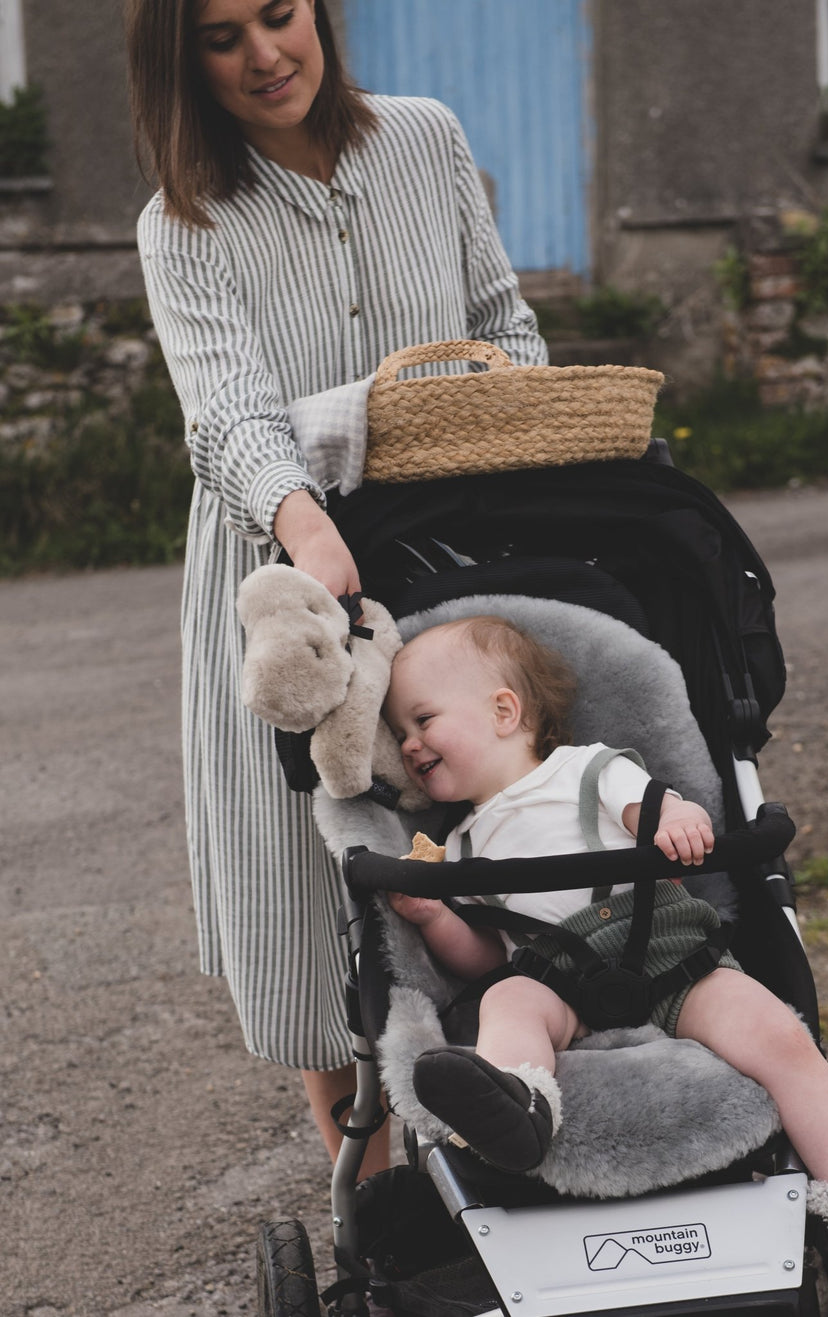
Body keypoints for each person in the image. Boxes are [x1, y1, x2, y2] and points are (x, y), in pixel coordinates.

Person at [124, 0, 547, 1166]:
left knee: (476, 842)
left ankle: (517, 1100)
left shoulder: (426, 139)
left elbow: (505, 329)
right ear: (181, 60)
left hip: (456, 549)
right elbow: (228, 418)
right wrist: (308, 522)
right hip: (290, 584)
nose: (265, 54)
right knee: (318, 883)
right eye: (222, 36)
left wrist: (501, 413)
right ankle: (366, 1186)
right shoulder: (185, 223)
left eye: (280, 14)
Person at [383, 616, 828, 1287]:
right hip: (557, 977)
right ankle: (521, 1104)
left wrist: (674, 821)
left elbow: (651, 806)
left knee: (781, 1036)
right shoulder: (461, 846)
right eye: (401, 733)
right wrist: (434, 914)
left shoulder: (585, 767)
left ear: (503, 710)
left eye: (421, 720)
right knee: (506, 996)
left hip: (670, 953)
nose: (409, 745)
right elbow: (483, 956)